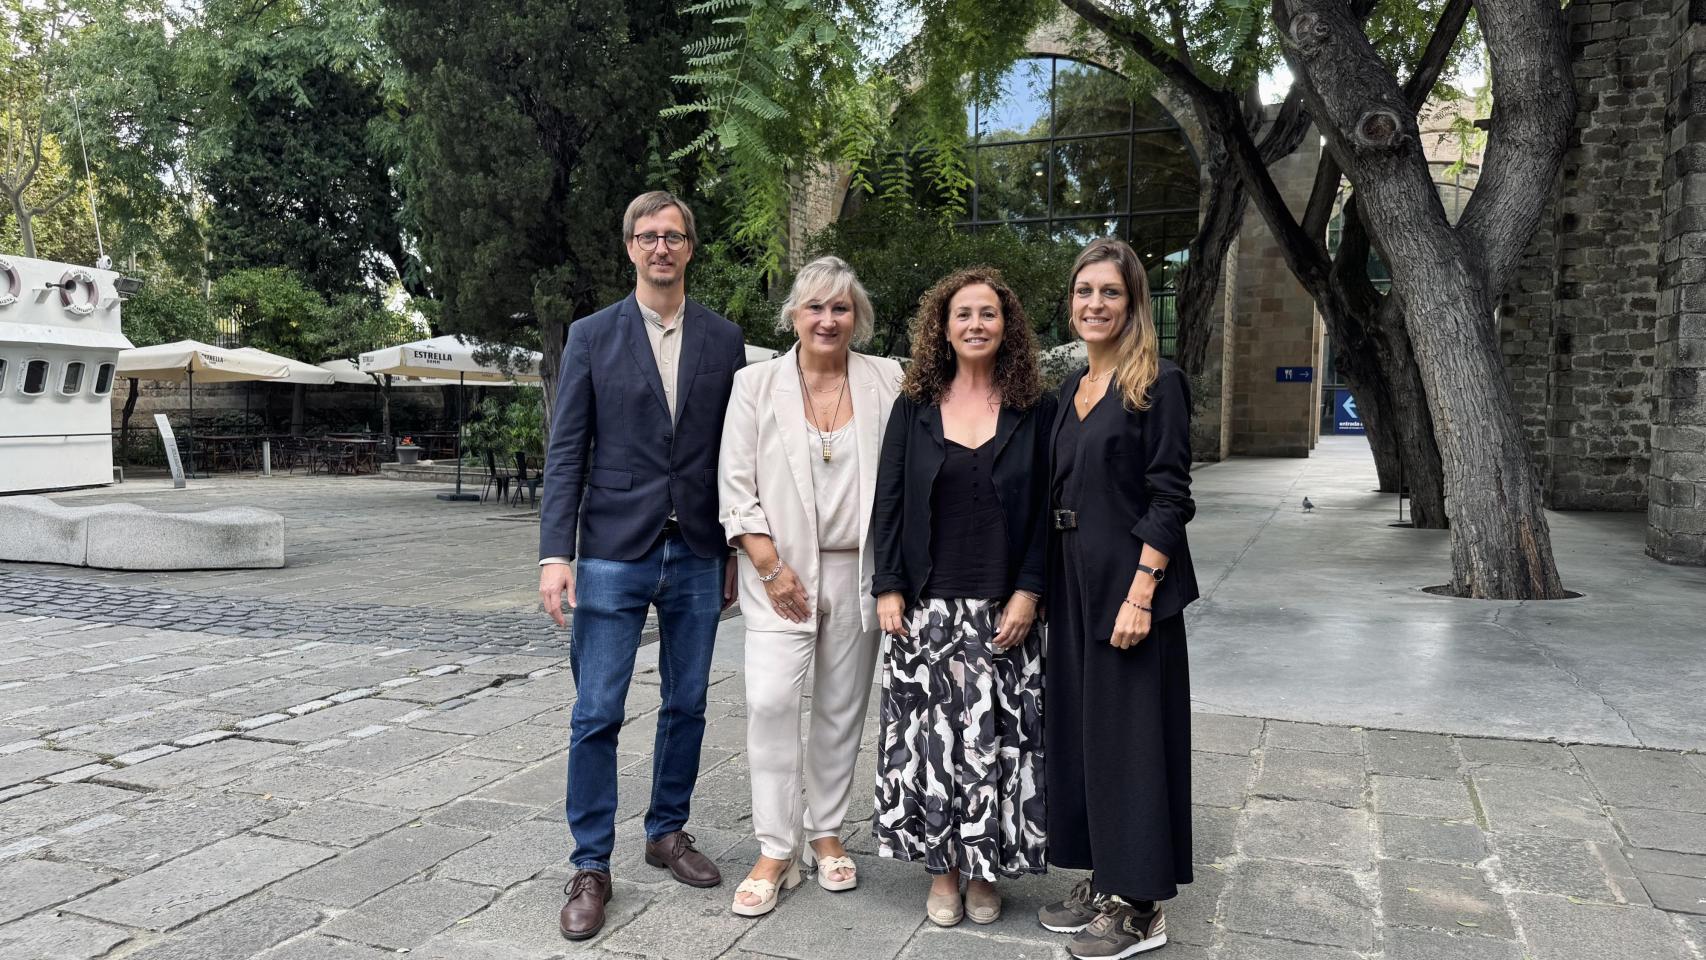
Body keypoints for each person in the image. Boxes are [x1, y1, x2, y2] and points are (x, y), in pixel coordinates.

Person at [539, 190, 746, 941]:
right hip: (611, 552)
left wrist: (732, 546)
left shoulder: (725, 340)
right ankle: (591, 863)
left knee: (687, 704)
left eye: (675, 236)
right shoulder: (593, 336)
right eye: (648, 236)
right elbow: (568, 451)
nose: (662, 247)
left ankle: (667, 832)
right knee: (596, 711)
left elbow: (735, 451)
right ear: (629, 247)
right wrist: (555, 553)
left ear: (691, 247)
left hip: (696, 549)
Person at [717, 255, 903, 917]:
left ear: (858, 318)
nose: (827, 319)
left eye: (841, 307)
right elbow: (736, 488)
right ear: (793, 315)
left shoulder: (889, 378)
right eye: (815, 307)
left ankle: (825, 833)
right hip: (779, 575)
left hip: (860, 573)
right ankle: (775, 847)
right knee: (770, 703)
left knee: (840, 710)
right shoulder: (755, 384)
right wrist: (768, 567)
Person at [870, 267, 1055, 927]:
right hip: (927, 606)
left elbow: (1046, 511)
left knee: (995, 747)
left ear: (1008, 326)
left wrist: (1030, 590)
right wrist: (887, 586)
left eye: (988, 313)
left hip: (1004, 608)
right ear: (942, 329)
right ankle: (942, 871)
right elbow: (888, 502)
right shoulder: (913, 409)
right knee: (931, 748)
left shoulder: (1036, 411)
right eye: (962, 314)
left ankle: (985, 871)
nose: (975, 324)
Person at [1036, 237, 1199, 960]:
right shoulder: (1070, 391)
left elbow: (1171, 497)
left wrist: (1141, 592)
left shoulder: (1157, 382)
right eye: (1084, 292)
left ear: (1133, 302)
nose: (1094, 304)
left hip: (1129, 586)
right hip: (1075, 583)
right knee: (1084, 734)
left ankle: (1141, 907)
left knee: (1132, 741)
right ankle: (1106, 876)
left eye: (1109, 292)